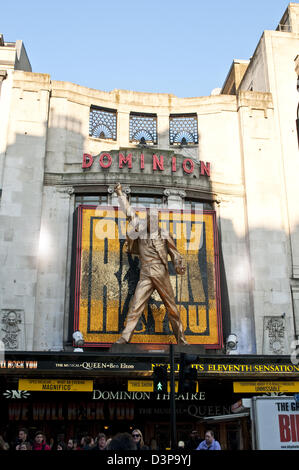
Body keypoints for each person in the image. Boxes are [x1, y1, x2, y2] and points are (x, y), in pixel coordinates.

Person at [114, 182, 188, 345]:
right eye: (149, 219)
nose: (152, 222)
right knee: (136, 306)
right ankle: (125, 337)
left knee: (172, 308)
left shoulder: (164, 233)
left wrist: (178, 264)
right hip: (146, 272)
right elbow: (128, 212)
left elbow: (175, 253)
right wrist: (119, 193)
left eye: (154, 219)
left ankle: (181, 339)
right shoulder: (140, 231)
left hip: (161, 272)